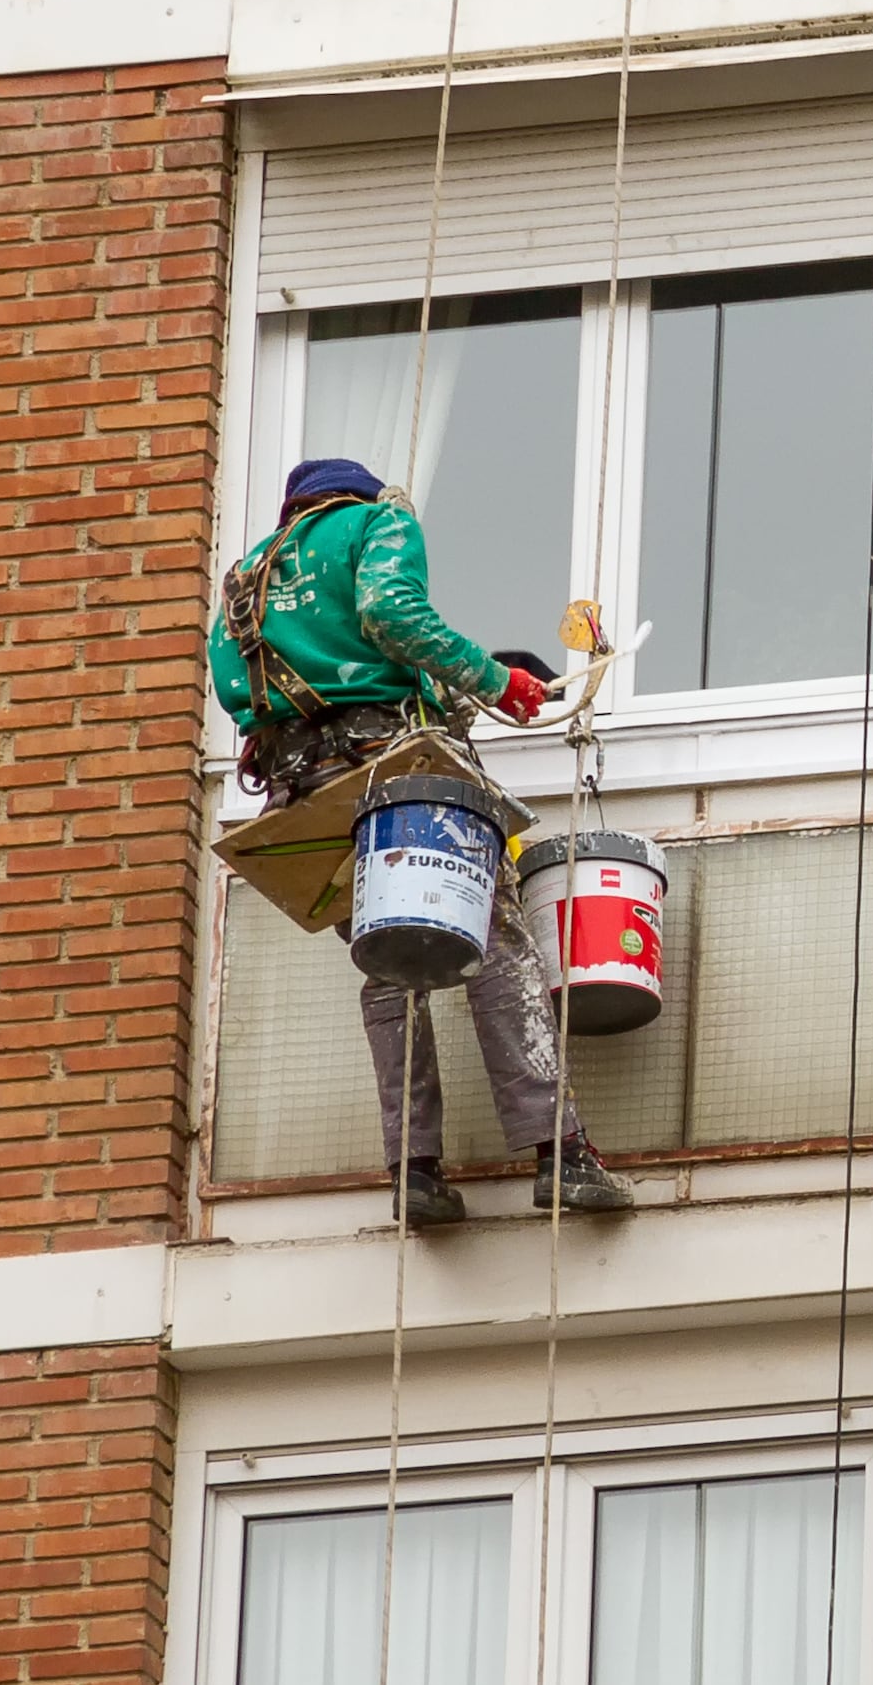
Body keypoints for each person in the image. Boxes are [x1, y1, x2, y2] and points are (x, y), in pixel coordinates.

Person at [209, 455, 636, 1229]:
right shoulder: (378, 520)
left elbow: (250, 686)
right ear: (359, 496)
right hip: (390, 773)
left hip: (303, 795)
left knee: (388, 956)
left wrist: (460, 683)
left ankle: (415, 1171)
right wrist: (491, 678)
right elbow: (390, 613)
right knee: (494, 937)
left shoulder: (248, 579)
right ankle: (561, 1153)